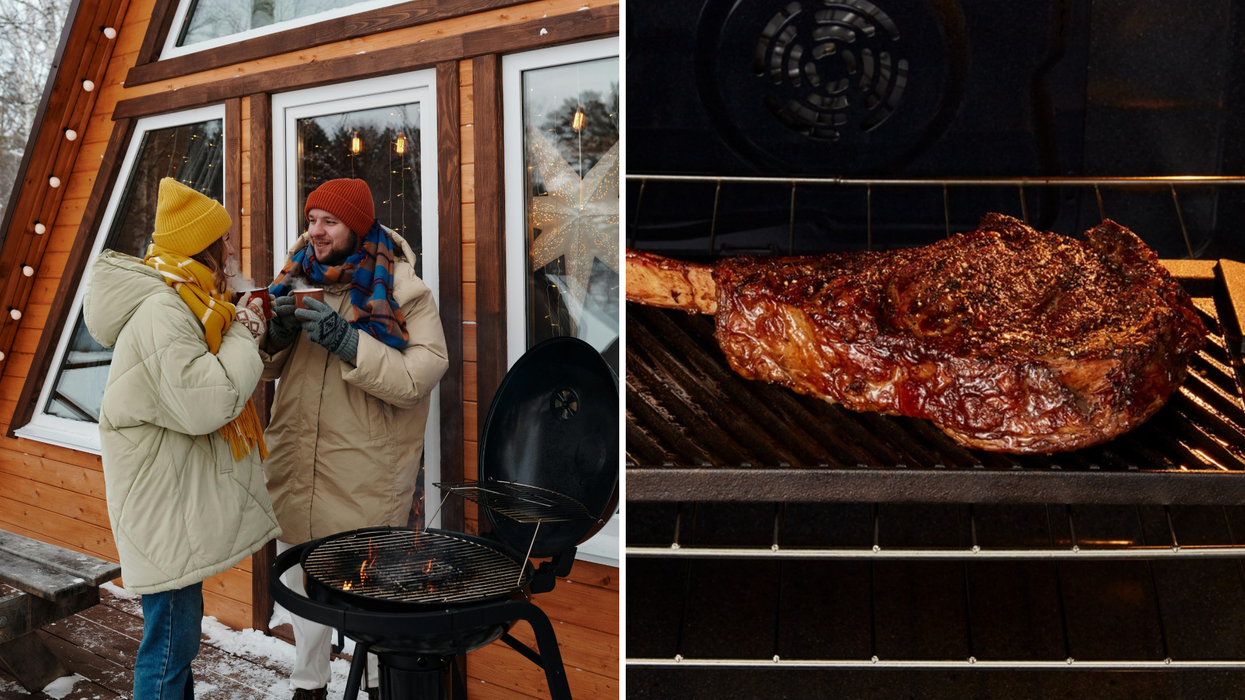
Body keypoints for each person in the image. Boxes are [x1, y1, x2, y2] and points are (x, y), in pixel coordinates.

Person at [84, 177, 281, 700]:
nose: (234, 248)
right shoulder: (165, 311)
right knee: (169, 646)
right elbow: (208, 401)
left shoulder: (186, 299)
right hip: (162, 503)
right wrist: (246, 330)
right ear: (205, 247)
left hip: (166, 496)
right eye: (227, 239)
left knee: (175, 642)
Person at [261, 178, 449, 698]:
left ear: (357, 226)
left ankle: (372, 682)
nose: (315, 232)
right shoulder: (296, 277)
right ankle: (310, 680)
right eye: (311, 219)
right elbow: (269, 365)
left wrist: (349, 342)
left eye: (329, 222)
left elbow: (422, 374)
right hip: (298, 458)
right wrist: (274, 337)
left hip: (364, 467)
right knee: (301, 577)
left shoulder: (404, 289)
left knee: (367, 588)